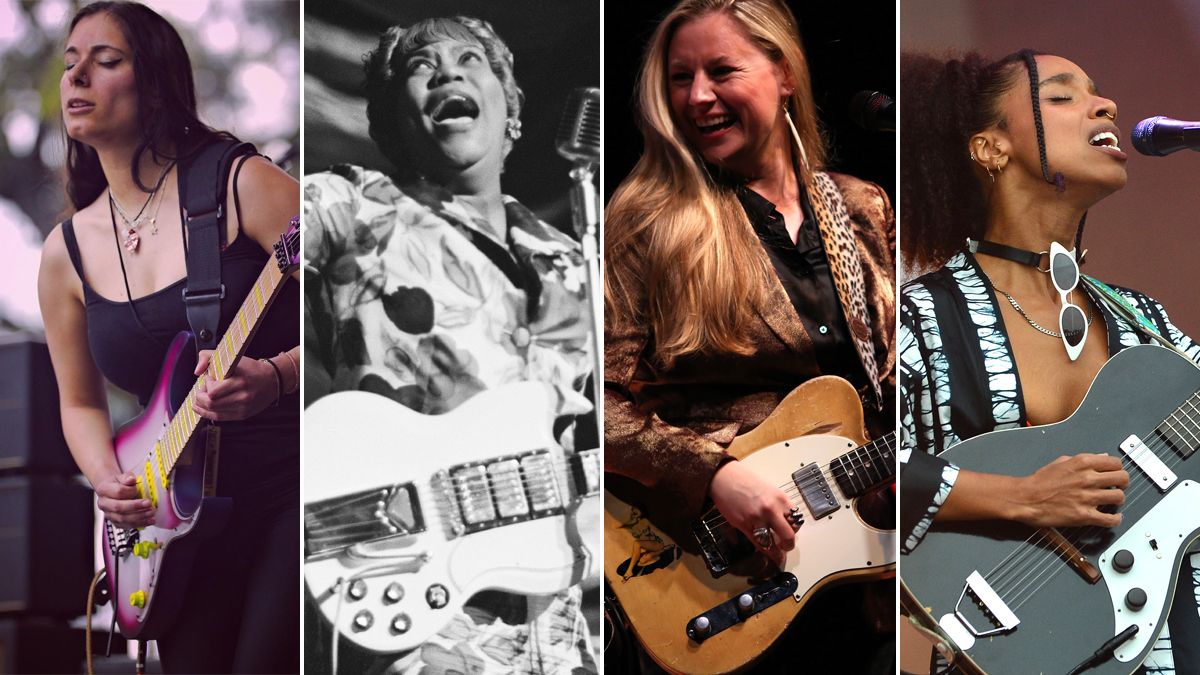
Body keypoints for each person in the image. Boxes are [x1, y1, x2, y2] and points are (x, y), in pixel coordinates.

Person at [603, 0, 895, 670]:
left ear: (784, 73)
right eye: (680, 77)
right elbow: (592, 406)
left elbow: (897, 385)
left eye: (721, 70)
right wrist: (714, 475)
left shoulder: (862, 207)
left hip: (858, 575)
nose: (697, 96)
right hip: (720, 577)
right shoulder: (650, 219)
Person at [303, 15, 598, 675]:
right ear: (394, 122)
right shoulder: (349, 204)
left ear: (509, 107)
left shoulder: (574, 260)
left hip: (563, 627)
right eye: (419, 66)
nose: (446, 72)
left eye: (470, 61)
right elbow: (251, 256)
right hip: (420, 610)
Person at [899, 49, 1200, 674]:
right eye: (1062, 96)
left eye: (1098, 92)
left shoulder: (1143, 321)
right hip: (1004, 646)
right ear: (990, 149)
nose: (1106, 105)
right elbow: (865, 477)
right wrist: (1022, 497)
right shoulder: (919, 318)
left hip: (1171, 644)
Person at [37, 2, 300, 673]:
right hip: (175, 529)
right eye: (70, 65)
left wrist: (277, 376)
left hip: (292, 489)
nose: (77, 79)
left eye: (106, 61)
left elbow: (367, 317)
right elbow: (80, 403)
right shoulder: (64, 252)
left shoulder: (243, 184)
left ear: (155, 85)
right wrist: (107, 477)